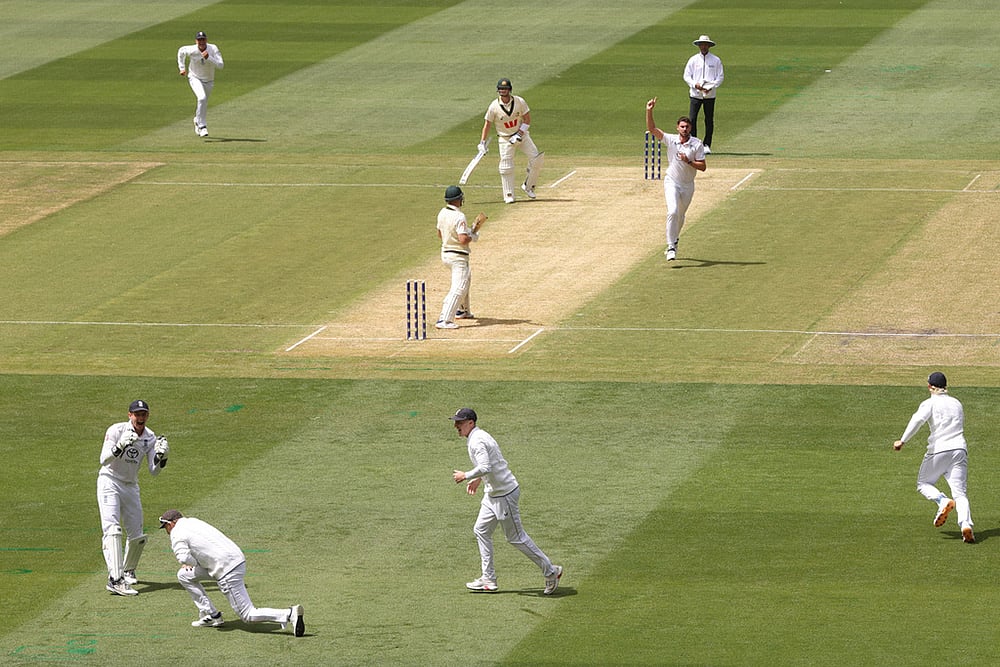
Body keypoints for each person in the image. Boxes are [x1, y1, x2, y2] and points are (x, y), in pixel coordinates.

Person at [449, 408, 563, 595]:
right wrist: (479, 479)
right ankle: (488, 579)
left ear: (471, 423)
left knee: (516, 538)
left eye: (460, 422)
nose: (456, 426)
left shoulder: (477, 441)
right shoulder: (480, 436)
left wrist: (466, 475)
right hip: (493, 493)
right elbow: (494, 461)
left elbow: (486, 465)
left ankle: (551, 571)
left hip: (504, 495)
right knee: (481, 530)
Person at [158, 509, 306, 635]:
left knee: (248, 615)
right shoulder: (193, 521)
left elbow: (183, 557)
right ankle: (212, 615)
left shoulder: (176, 531)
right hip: (235, 559)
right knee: (184, 575)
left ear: (170, 523)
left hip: (226, 569)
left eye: (165, 527)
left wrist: (190, 563)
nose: (166, 531)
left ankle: (288, 614)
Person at [97, 399, 169, 596]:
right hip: (109, 481)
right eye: (137, 414)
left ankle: (128, 571)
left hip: (130, 485)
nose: (140, 418)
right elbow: (103, 460)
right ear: (130, 415)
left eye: (144, 414)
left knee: (137, 535)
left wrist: (162, 457)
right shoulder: (116, 430)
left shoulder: (150, 437)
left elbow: (154, 471)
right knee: (113, 530)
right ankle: (115, 579)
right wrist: (119, 446)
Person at [893, 372, 975, 543]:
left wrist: (903, 440)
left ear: (930, 386)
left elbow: (917, 421)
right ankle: (966, 525)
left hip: (939, 450)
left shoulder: (929, 403)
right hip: (960, 449)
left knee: (923, 483)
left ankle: (942, 500)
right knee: (960, 493)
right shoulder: (957, 403)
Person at [645, 97, 706, 261]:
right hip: (672, 181)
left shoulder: (697, 144)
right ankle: (671, 245)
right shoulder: (671, 139)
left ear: (690, 128)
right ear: (677, 128)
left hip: (688, 185)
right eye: (682, 127)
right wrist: (649, 110)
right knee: (672, 211)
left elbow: (703, 166)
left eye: (687, 127)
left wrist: (689, 161)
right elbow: (652, 129)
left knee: (680, 216)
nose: (685, 129)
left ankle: (675, 240)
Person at [480, 78, 544, 203]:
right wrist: (482, 143)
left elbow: (527, 120)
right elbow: (487, 125)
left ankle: (529, 186)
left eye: (505, 89)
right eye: (500, 89)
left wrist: (519, 133)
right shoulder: (494, 106)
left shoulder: (519, 101)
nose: (503, 91)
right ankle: (509, 195)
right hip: (505, 139)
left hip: (522, 135)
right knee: (506, 167)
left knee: (537, 159)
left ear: (510, 90)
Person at [435, 185, 480, 329]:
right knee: (459, 287)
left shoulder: (442, 213)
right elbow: (462, 240)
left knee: (466, 279)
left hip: (446, 254)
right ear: (459, 199)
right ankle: (444, 319)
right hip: (458, 257)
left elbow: (440, 234)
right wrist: (471, 235)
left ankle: (462, 310)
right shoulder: (459, 216)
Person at [177, 31, 224, 137]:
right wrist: (182, 68)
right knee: (201, 98)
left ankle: (197, 120)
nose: (201, 42)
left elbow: (221, 65)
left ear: (206, 40)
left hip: (209, 80)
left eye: (203, 40)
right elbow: (181, 51)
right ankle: (202, 126)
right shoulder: (191, 49)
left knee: (203, 103)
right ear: (196, 41)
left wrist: (209, 58)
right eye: (199, 40)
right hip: (195, 78)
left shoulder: (213, 49)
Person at [683, 35, 724, 152]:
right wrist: (694, 84)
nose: (704, 47)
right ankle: (694, 143)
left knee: (709, 119)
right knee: (692, 119)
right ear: (699, 46)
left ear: (709, 46)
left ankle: (706, 145)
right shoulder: (693, 60)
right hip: (695, 94)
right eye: (702, 45)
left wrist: (711, 87)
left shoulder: (716, 60)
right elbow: (686, 76)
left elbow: (720, 77)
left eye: (706, 45)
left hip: (710, 95)